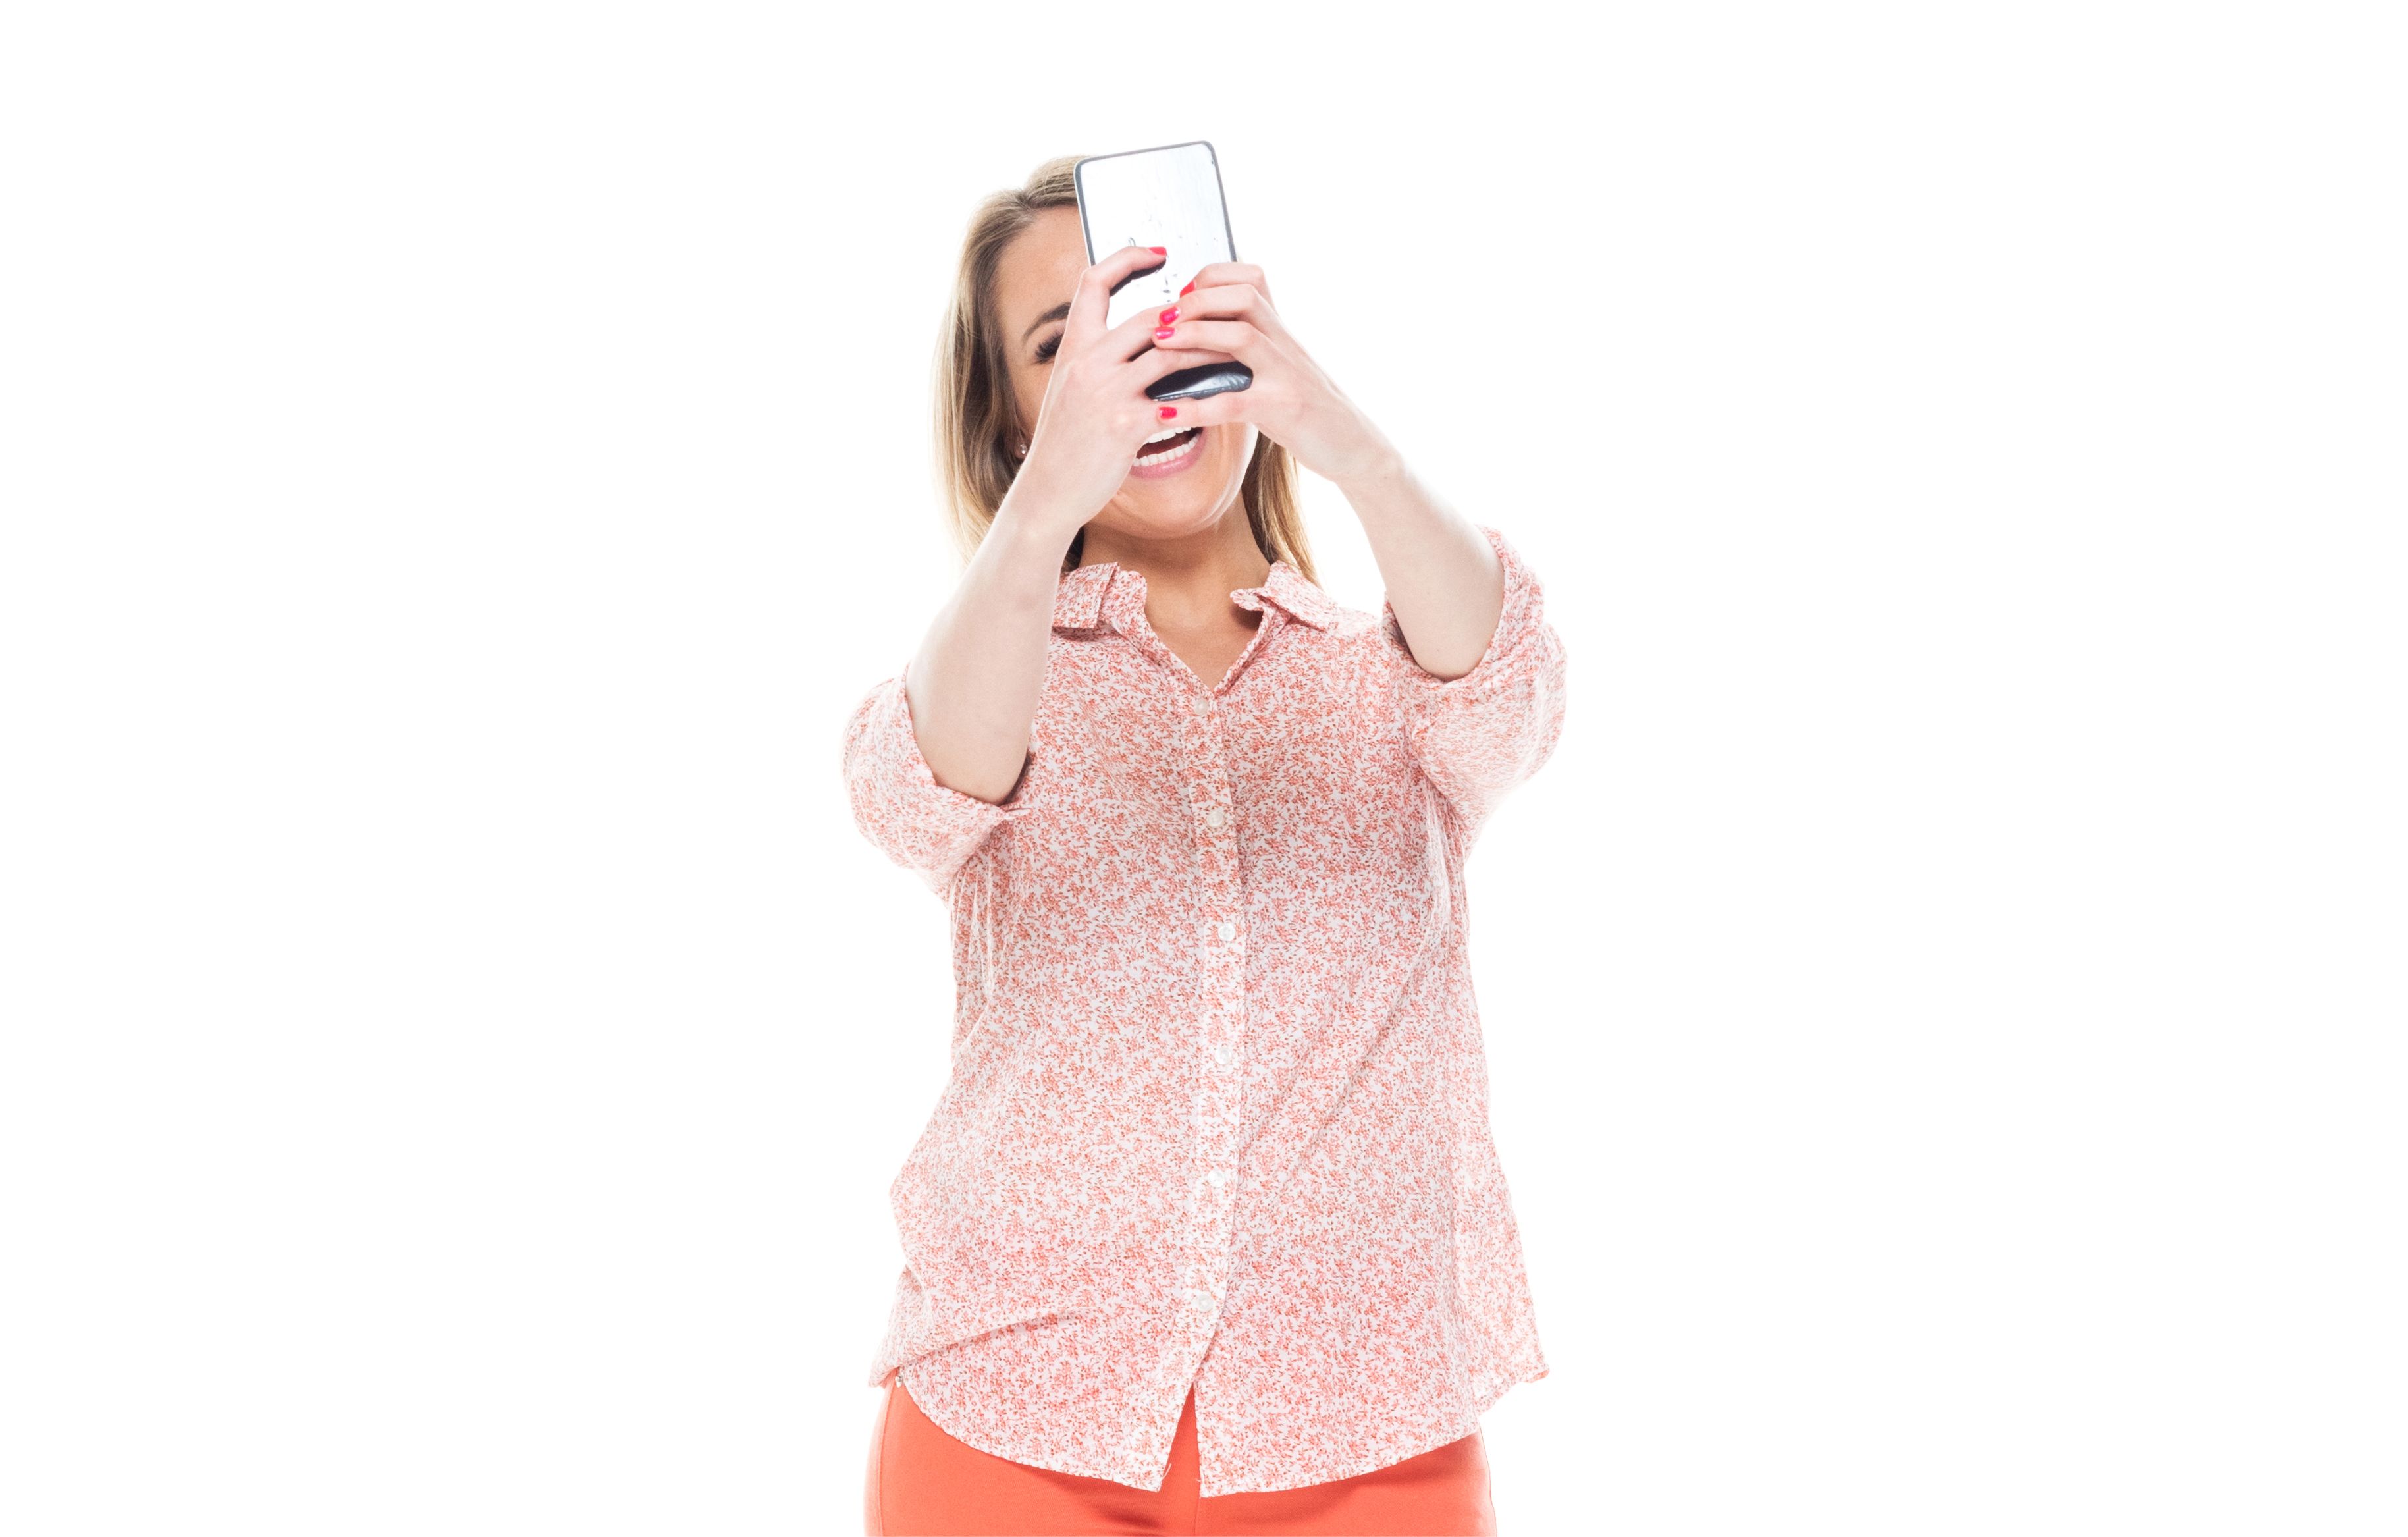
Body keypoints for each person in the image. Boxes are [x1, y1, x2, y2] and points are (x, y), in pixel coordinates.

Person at [845, 155, 1570, 1537]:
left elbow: (1511, 698)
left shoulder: (1391, 678)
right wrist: (1046, 502)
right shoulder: (993, 681)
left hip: (1370, 1430)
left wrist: (1337, 431)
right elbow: (913, 788)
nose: (1129, 363)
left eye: (1157, 309)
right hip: (1013, 1421)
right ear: (1009, 423)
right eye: (1065, 347)